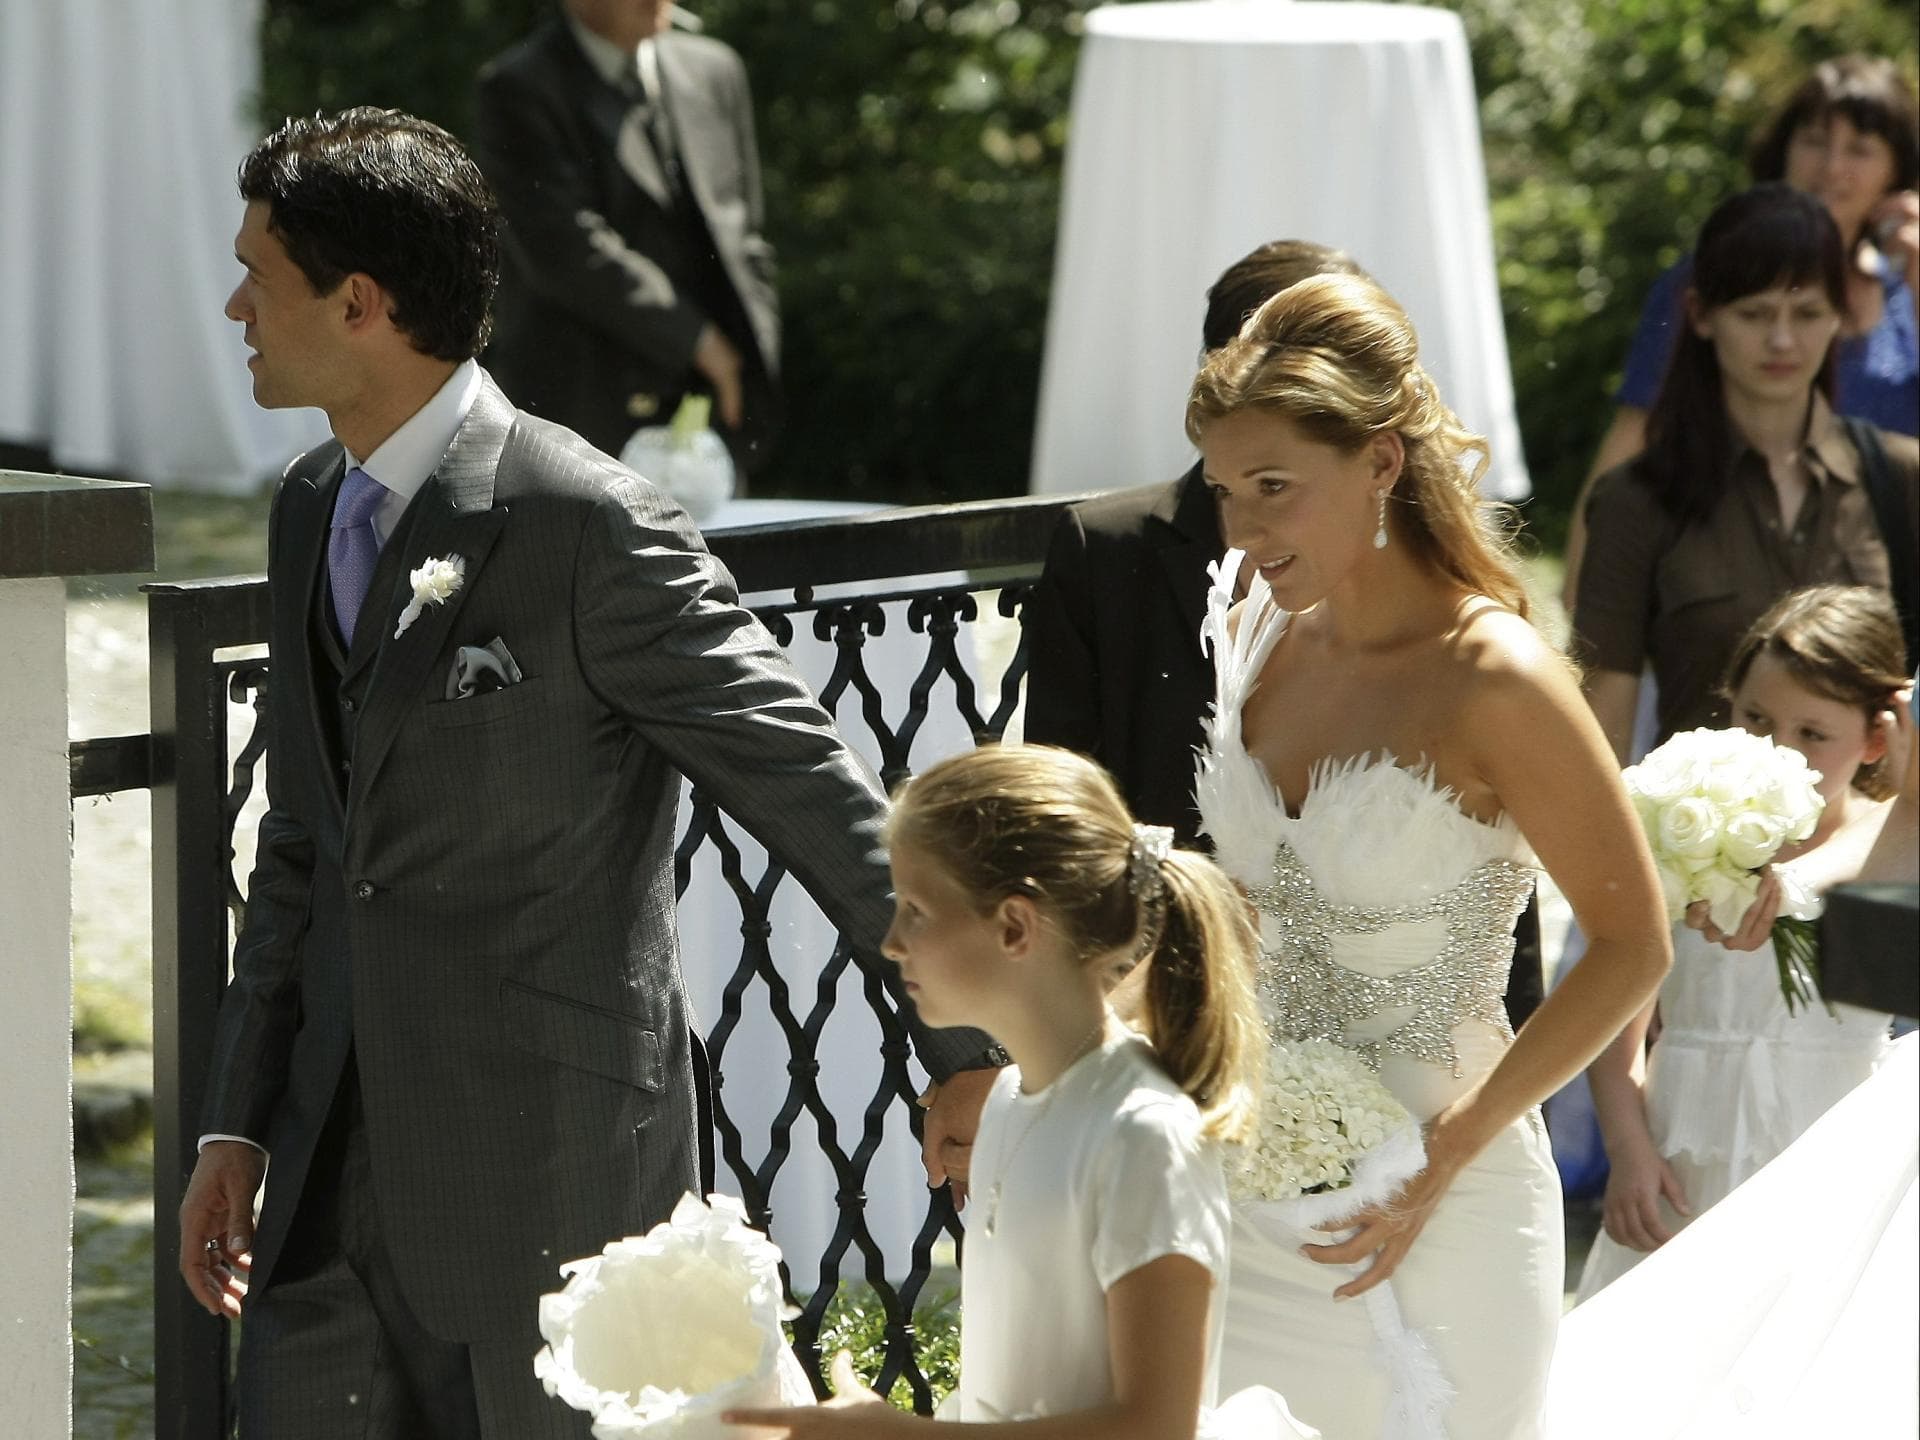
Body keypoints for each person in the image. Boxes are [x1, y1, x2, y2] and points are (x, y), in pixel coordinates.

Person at [177, 108, 995, 1439]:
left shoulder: (591, 525)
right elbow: (305, 843)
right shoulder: (307, 504)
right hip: (326, 1179)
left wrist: (961, 1045)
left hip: (545, 1173)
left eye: (258, 276)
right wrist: (240, 1124)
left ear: (363, 303)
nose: (234, 306)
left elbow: (815, 793)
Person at [1186, 272, 1672, 1436]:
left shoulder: (1493, 674)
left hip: (1449, 1205)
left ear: (1383, 466)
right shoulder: (1261, 646)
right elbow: (1244, 918)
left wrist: (1447, 1153)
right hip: (1258, 1193)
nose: (1245, 532)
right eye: (1224, 494)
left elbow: (1631, 947)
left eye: (1274, 490)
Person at [1020, 238, 1546, 1030]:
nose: (1250, 529)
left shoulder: (1479, 652)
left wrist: (1499, 1070)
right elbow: (1068, 815)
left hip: (1425, 1059)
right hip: (1176, 1022)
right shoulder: (1141, 568)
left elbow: (1506, 878)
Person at [726, 745, 1314, 1440]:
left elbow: (1159, 1424)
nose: (891, 942)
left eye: (915, 909)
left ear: (1013, 926)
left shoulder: (1143, 1134)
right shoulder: (1007, 1102)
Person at [1577, 585, 1909, 1300]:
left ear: (1877, 739)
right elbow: (1614, 1020)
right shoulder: (1681, 826)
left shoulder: (1891, 841)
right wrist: (1629, 1148)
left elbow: (1894, 985)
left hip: (1826, 1158)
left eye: (1812, 733)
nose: (1777, 749)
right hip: (1685, 1156)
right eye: (1755, 718)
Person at [1574, 183, 1920, 765]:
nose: (1782, 339)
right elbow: (1602, 724)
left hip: (1874, 844)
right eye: (1754, 313)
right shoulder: (1635, 499)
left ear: (1839, 316)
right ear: (1702, 315)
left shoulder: (1900, 475)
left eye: (1808, 312)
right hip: (1700, 845)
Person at [1565, 53, 1920, 602]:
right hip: (1716, 592)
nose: (1832, 167)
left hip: (1877, 604)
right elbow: (1629, 449)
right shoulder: (1710, 277)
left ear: (1897, 172)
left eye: (1860, 149)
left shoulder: (1907, 297)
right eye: (1814, 140)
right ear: (1782, 150)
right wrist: (1584, 605)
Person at [475, 0, 780, 476]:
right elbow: (565, 250)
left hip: (713, 409)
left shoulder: (717, 70)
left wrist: (751, 355)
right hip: (580, 417)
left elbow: (746, 233)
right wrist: (699, 341)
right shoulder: (516, 89)